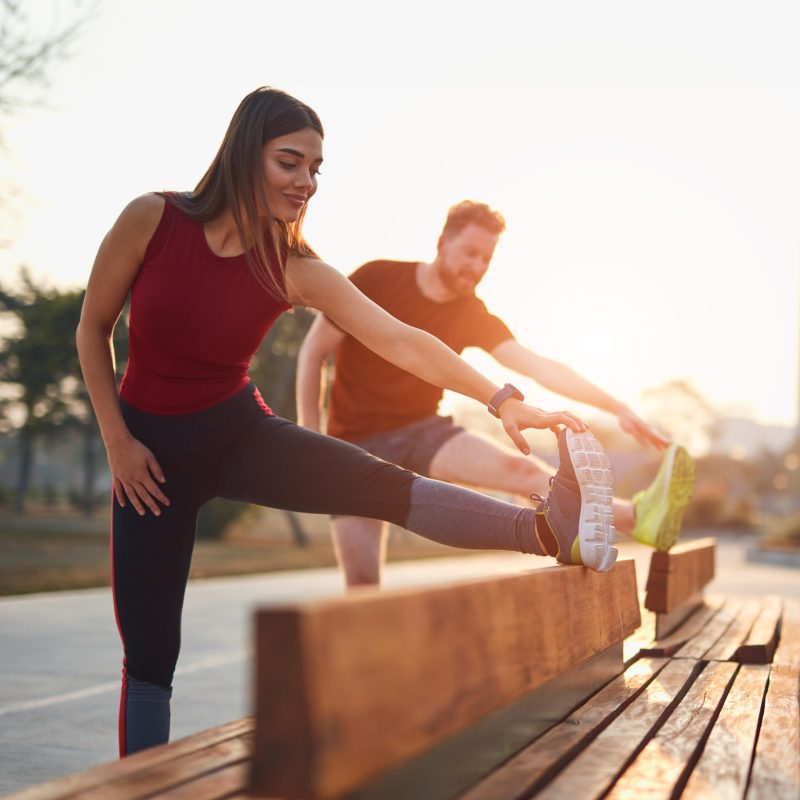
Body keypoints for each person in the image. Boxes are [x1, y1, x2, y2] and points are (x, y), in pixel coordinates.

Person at [76, 88, 617, 758]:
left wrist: (503, 398)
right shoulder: (151, 219)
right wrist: (118, 442)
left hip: (238, 435)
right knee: (152, 653)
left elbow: (402, 340)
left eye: (315, 169)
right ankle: (137, 783)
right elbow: (93, 328)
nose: (306, 182)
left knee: (383, 487)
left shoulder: (294, 266)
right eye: (290, 163)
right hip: (147, 462)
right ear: (247, 154)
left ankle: (548, 529)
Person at [297, 200, 696, 588]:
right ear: (442, 243)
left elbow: (538, 365)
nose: (477, 267)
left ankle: (640, 516)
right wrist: (311, 440)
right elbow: (314, 354)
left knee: (521, 471)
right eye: (470, 253)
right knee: (362, 583)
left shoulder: (471, 313)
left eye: (486, 259)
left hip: (423, 432)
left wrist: (617, 407)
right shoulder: (376, 278)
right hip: (352, 442)